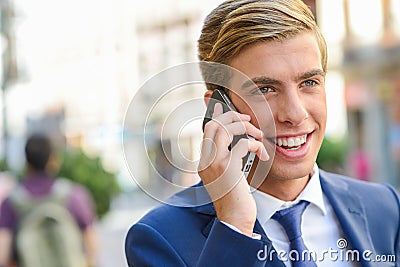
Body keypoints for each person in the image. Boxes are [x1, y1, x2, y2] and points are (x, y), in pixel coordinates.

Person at [125, 0, 400, 266]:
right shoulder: (159, 239)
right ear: (219, 109)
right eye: (264, 90)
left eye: (309, 82)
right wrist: (234, 225)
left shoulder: (385, 208)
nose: (295, 113)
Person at [0, 134, 98, 267]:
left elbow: (3, 256)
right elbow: (92, 247)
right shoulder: (73, 196)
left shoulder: (11, 202)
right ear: (52, 160)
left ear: (27, 162)